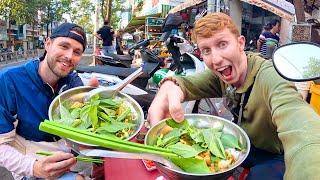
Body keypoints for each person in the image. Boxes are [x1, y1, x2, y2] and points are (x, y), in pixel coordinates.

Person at [147, 13, 320, 179]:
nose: (216, 59)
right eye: (206, 50)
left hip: (273, 156)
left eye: (222, 44)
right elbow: (190, 83)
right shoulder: (220, 74)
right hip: (242, 144)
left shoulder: (271, 79)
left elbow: (302, 126)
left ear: (240, 43)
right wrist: (169, 85)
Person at [0, 23, 99, 180]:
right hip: (30, 162)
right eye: (64, 46)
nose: (69, 56)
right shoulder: (8, 81)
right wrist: (34, 168)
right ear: (48, 44)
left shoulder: (72, 82)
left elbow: (80, 128)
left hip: (65, 158)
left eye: (77, 52)